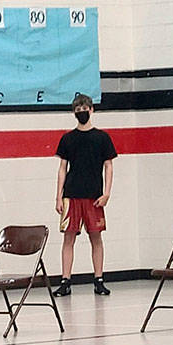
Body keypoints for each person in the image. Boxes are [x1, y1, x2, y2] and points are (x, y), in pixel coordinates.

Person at [53, 93, 116, 297]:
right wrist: (58, 197)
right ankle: (65, 281)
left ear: (92, 110)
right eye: (78, 111)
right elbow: (62, 168)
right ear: (74, 113)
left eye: (85, 109)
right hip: (71, 195)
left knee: (96, 238)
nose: (82, 113)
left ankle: (98, 280)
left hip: (94, 197)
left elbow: (109, 166)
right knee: (68, 238)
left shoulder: (102, 137)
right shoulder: (67, 138)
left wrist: (107, 193)